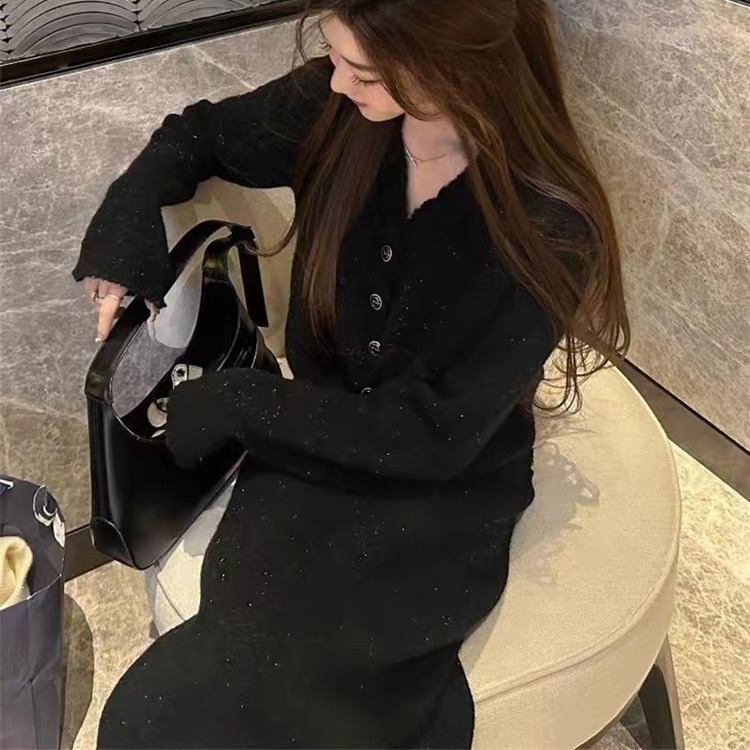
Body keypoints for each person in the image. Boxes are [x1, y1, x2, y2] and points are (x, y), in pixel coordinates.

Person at [72, 0, 630, 747]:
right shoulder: (339, 113)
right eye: (334, 57)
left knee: (289, 707)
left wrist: (244, 404)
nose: (336, 83)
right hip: (310, 452)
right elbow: (197, 136)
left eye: (363, 72)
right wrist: (124, 225)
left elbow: (436, 437)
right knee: (165, 714)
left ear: (455, 62)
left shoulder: (546, 226)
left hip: (434, 494)